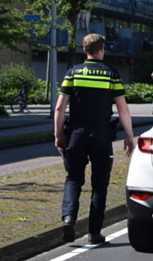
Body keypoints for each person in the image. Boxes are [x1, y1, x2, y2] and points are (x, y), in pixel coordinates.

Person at [55, 33, 135, 244]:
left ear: (84, 50)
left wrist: (58, 135)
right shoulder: (111, 74)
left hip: (76, 133)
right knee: (99, 184)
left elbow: (60, 107)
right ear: (102, 49)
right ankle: (94, 233)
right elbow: (123, 109)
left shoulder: (73, 73)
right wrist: (129, 136)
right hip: (101, 134)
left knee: (73, 179)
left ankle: (69, 218)